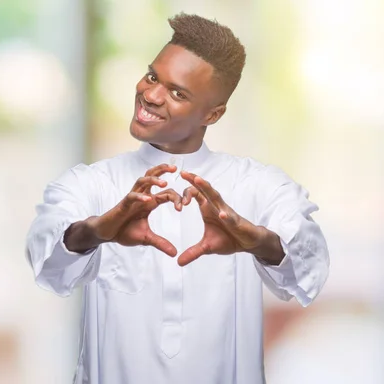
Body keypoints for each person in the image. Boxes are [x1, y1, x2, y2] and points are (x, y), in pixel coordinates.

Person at [25, 12, 329, 384]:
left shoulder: (259, 186)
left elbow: (309, 267)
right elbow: (46, 261)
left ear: (213, 114)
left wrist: (256, 240)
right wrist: (98, 230)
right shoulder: (90, 183)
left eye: (177, 92)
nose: (150, 95)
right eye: (153, 76)